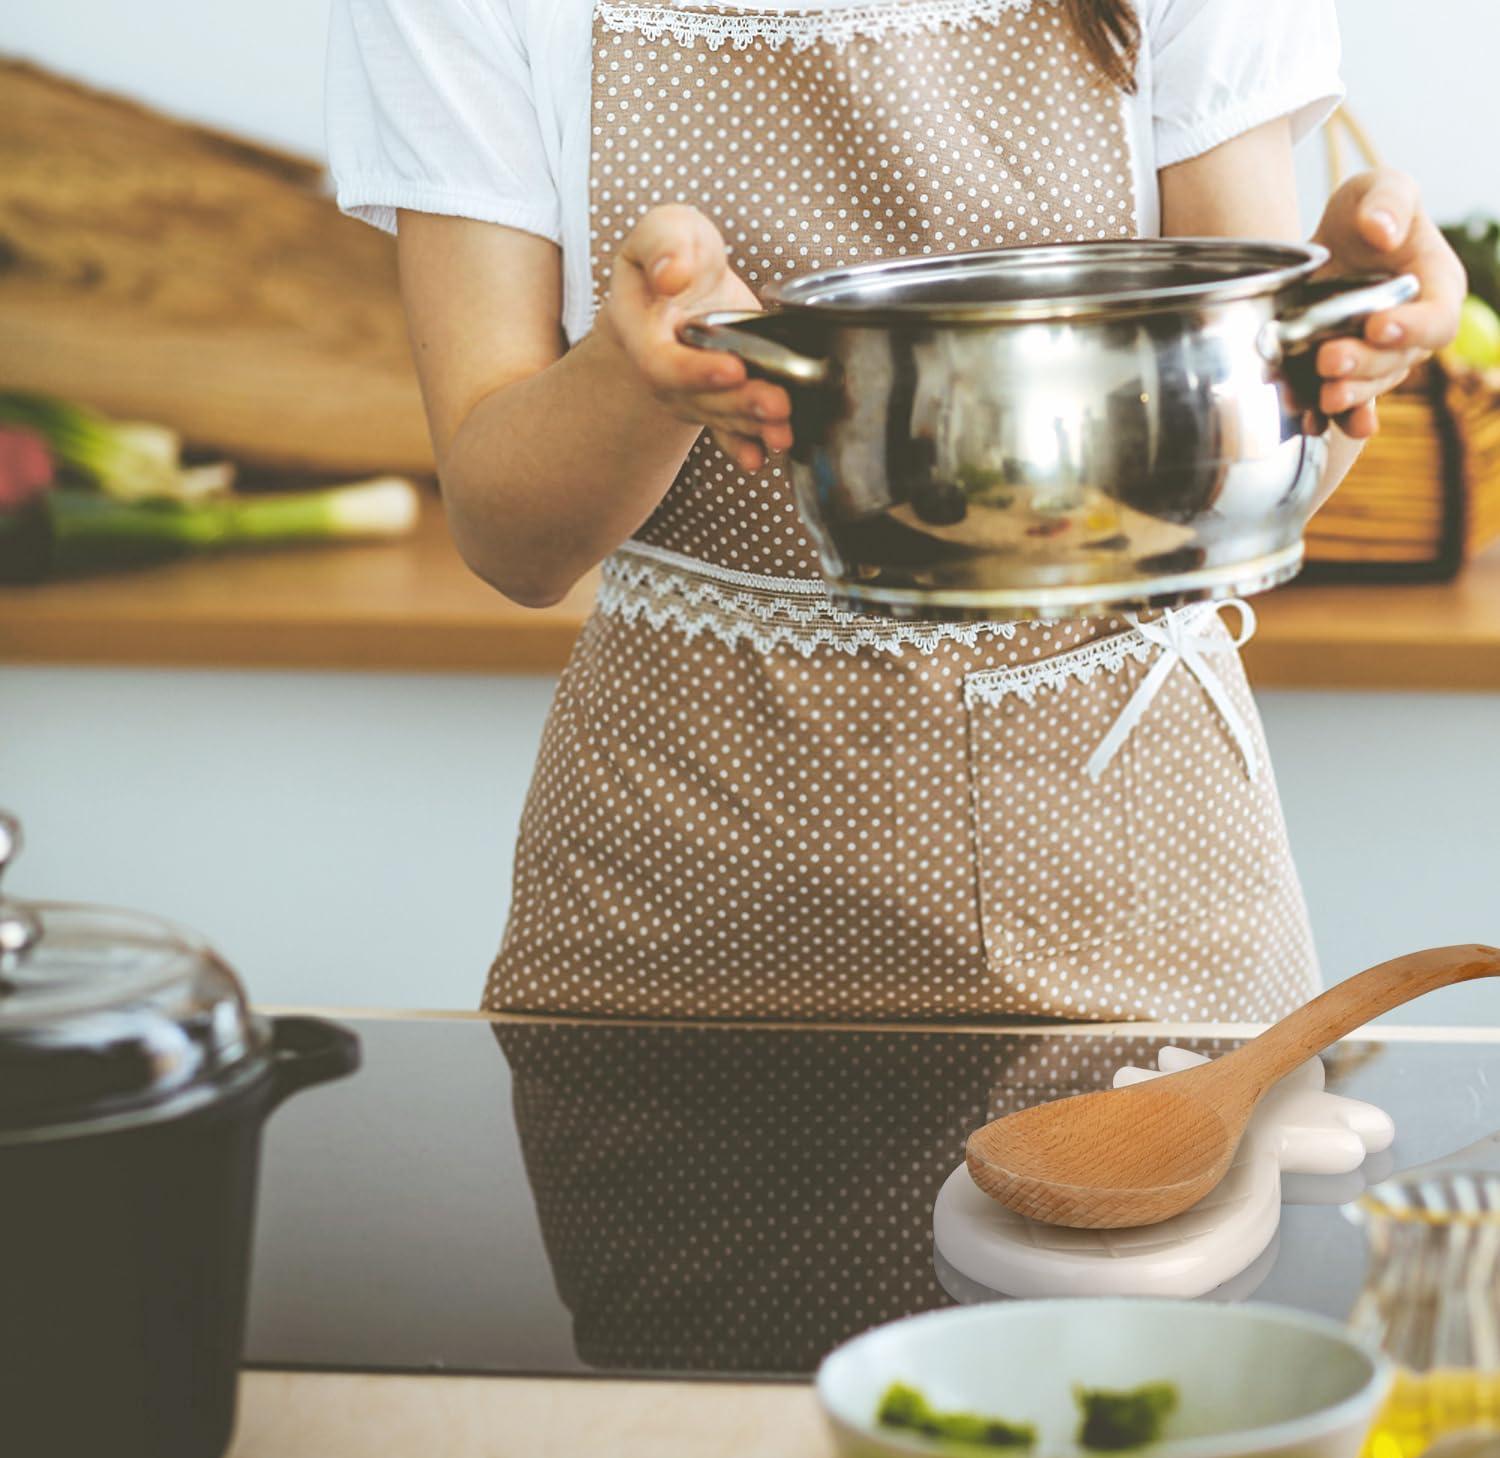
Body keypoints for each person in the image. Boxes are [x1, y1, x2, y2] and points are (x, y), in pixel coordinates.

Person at [327, 0, 1464, 1023]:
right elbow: (512, 542)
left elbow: (1226, 467)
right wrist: (635, 382)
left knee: (1151, 1249)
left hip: (1132, 866)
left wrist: (1351, 344)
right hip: (688, 889)